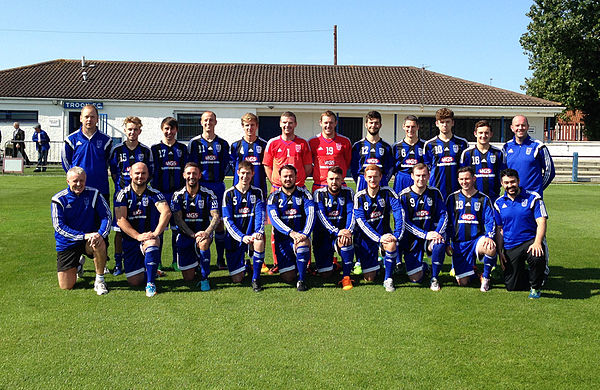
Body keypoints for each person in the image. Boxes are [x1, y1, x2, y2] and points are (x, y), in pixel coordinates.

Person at [263, 111, 313, 274]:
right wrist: (275, 182)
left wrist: (298, 182)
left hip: (299, 189)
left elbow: (307, 167)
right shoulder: (272, 143)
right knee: (275, 227)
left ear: (295, 124)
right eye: (284, 122)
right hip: (278, 189)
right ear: (280, 124)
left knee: (305, 224)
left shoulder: (303, 143)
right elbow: (267, 165)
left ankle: (306, 262)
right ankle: (278, 262)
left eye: (290, 122)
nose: (287, 125)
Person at [50, 167, 111, 295]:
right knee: (66, 286)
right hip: (68, 243)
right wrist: (82, 236)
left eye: (82, 180)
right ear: (68, 181)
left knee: (99, 242)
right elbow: (59, 227)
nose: (79, 184)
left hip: (89, 240)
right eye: (75, 181)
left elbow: (106, 216)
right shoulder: (58, 199)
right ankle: (77, 264)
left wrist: (100, 234)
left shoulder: (94, 194)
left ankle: (99, 281)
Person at [114, 162, 171, 297]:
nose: (140, 176)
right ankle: (150, 270)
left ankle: (150, 283)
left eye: (143, 173)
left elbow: (166, 212)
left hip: (149, 238)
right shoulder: (122, 194)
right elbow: (120, 220)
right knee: (134, 282)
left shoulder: (154, 193)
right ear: (130, 175)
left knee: (151, 244)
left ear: (148, 175)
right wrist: (137, 236)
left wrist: (156, 233)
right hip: (131, 241)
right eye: (137, 173)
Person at [494, 169, 549, 299]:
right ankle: (531, 275)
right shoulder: (499, 203)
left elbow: (541, 222)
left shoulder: (533, 197)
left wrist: (537, 242)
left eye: (513, 182)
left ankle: (536, 287)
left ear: (518, 181)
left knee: (537, 255)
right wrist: (500, 251)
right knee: (512, 286)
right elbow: (500, 229)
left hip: (530, 241)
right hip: (511, 244)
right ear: (502, 184)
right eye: (506, 182)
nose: (510, 185)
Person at [109, 117, 153, 276]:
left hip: (142, 196)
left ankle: (148, 261)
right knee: (120, 229)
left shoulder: (145, 151)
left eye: (135, 129)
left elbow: (150, 172)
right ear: (125, 130)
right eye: (129, 129)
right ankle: (118, 263)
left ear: (140, 131)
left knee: (144, 227)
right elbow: (114, 172)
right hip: (122, 196)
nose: (132, 132)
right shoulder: (117, 150)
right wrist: (124, 188)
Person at [187, 111, 230, 270]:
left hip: (217, 186)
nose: (208, 123)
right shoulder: (194, 143)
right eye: (205, 120)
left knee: (218, 223)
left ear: (215, 122)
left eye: (211, 120)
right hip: (201, 187)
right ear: (201, 122)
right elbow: (191, 166)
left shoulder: (223, 143)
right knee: (200, 221)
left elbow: (227, 164)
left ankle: (220, 259)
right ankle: (199, 259)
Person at [353, 164, 404, 292]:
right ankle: (381, 263)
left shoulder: (388, 193)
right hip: (367, 240)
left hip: (385, 237)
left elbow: (399, 215)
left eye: (375, 176)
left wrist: (396, 236)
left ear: (381, 177)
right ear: (364, 177)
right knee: (369, 278)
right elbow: (361, 223)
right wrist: (379, 238)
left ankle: (388, 279)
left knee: (392, 244)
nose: (372, 180)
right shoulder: (359, 197)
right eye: (369, 177)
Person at [397, 163, 447, 291]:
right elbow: (404, 222)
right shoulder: (404, 195)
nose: (421, 178)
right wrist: (424, 234)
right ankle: (424, 267)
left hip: (430, 236)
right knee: (415, 279)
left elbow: (443, 215)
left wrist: (437, 233)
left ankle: (434, 278)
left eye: (424, 175)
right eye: (418, 175)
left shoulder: (435, 193)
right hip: (411, 239)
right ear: (412, 176)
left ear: (429, 176)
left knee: (439, 243)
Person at [445, 166, 497, 291]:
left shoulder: (483, 198)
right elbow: (447, 223)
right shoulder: (452, 198)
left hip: (476, 240)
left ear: (474, 179)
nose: (464, 182)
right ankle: (474, 271)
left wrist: (489, 237)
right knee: (463, 283)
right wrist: (447, 242)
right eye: (461, 179)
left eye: (467, 179)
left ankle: (486, 277)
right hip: (459, 243)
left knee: (490, 247)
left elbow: (490, 221)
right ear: (458, 180)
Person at [171, 163, 221, 291]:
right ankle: (198, 265)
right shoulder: (178, 195)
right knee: (188, 278)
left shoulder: (209, 194)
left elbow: (216, 216)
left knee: (203, 243)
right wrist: (192, 235)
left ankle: (205, 278)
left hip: (203, 233)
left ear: (199, 175)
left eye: (194, 173)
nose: (191, 176)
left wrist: (206, 232)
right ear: (184, 175)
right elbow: (178, 219)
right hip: (185, 235)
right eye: (188, 173)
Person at [266, 164, 315, 291]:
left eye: (291, 176)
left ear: (296, 177)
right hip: (283, 240)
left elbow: (311, 215)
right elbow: (275, 220)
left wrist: (305, 234)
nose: (288, 179)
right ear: (280, 178)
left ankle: (302, 280)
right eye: (285, 176)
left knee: (303, 244)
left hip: (300, 237)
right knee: (288, 277)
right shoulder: (274, 197)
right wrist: (290, 233)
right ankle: (296, 265)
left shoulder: (305, 194)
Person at [151, 117, 188, 271]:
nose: (169, 132)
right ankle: (157, 261)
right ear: (162, 129)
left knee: (177, 229)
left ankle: (176, 260)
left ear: (176, 130)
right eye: (166, 128)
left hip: (177, 195)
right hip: (159, 195)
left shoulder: (183, 149)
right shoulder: (154, 149)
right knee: (159, 230)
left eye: (172, 129)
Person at [222, 161, 266, 292]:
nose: (245, 177)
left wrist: (258, 231)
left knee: (259, 240)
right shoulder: (229, 194)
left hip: (251, 236)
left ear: (252, 174)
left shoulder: (257, 192)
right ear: (237, 173)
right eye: (242, 173)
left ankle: (256, 279)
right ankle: (246, 265)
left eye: (248, 173)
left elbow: (260, 215)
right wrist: (242, 237)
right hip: (235, 238)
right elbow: (227, 221)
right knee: (237, 279)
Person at [313, 166, 356, 290]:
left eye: (337, 179)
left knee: (346, 240)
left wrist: (348, 231)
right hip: (323, 237)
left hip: (341, 235)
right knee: (325, 275)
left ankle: (346, 277)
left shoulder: (348, 192)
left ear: (342, 179)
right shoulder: (319, 193)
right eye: (331, 178)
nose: (334, 182)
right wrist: (336, 231)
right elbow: (321, 217)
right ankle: (334, 264)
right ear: (326, 179)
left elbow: (351, 213)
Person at [62, 105, 112, 200]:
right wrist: (76, 178)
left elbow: (108, 162)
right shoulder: (70, 139)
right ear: (81, 118)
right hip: (78, 188)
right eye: (86, 117)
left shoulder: (106, 140)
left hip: (101, 188)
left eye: (92, 117)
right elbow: (66, 164)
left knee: (102, 215)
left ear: (97, 119)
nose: (89, 120)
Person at [502, 115, 555, 198]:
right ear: (512, 128)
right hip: (512, 196)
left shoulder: (538, 146)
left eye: (523, 125)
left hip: (532, 197)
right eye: (517, 125)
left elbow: (550, 172)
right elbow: (502, 172)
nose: (520, 128)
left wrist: (538, 188)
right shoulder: (506, 147)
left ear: (527, 127)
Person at [423, 108, 469, 200]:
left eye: (448, 122)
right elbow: (427, 167)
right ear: (437, 123)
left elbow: (465, 167)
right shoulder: (429, 144)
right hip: (436, 188)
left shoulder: (462, 143)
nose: (445, 125)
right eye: (442, 122)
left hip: (457, 189)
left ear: (452, 123)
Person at [460, 120, 506, 201]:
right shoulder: (467, 153)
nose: (483, 135)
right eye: (480, 133)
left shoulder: (498, 153)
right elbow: (462, 177)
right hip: (473, 198)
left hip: (493, 198)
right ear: (475, 133)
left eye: (486, 133)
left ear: (491, 134)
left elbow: (504, 176)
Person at [308, 110, 352, 192]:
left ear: (336, 123)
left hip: (339, 185)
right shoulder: (313, 142)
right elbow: (309, 164)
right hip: (319, 185)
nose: (328, 125)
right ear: (320, 123)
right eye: (326, 122)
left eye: (331, 123)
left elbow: (347, 163)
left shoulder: (345, 141)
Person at [351, 111, 393, 192]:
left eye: (376, 123)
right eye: (371, 123)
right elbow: (353, 167)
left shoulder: (386, 146)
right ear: (366, 124)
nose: (373, 125)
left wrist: (383, 179)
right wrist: (360, 180)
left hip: (381, 181)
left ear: (380, 125)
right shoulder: (358, 146)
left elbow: (390, 168)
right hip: (363, 181)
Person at [230, 113, 268, 196]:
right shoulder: (235, 146)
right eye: (247, 125)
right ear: (242, 126)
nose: (250, 128)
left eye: (252, 125)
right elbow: (233, 165)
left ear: (257, 126)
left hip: (259, 187)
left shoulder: (264, 145)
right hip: (239, 189)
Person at [392, 115, 425, 194]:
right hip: (401, 179)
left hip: (417, 179)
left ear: (418, 127)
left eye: (413, 126)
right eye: (408, 126)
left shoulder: (424, 145)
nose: (410, 129)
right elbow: (391, 166)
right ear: (403, 127)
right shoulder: (396, 146)